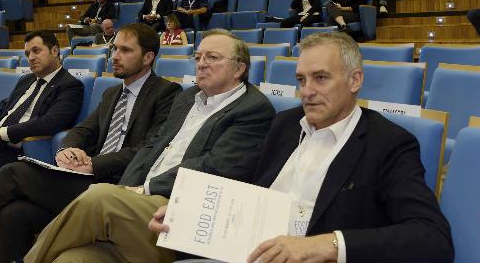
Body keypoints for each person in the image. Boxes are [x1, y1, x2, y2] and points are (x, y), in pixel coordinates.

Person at [148, 31, 454, 263]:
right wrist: (188, 208)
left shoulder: (387, 143)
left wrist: (325, 245)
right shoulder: (285, 124)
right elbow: (244, 181)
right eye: (301, 80)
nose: (307, 92)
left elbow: (432, 238)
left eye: (320, 78)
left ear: (354, 80)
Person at [24, 29, 277, 263]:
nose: (202, 64)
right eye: (199, 57)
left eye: (213, 57)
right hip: (141, 203)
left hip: (178, 209)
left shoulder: (252, 108)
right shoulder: (189, 97)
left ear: (239, 68)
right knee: (70, 259)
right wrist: (127, 189)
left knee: (99, 197)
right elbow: (152, 147)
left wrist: (143, 189)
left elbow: (214, 167)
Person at [0, 24, 182, 263]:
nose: (115, 56)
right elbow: (83, 130)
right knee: (12, 215)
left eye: (125, 50)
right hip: (86, 179)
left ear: (148, 57)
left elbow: (148, 151)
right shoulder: (112, 93)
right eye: (114, 48)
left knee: (12, 172)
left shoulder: (167, 93)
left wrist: (93, 165)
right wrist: (68, 149)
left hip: (119, 189)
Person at [0, 31, 84, 191]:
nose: (31, 58)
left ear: (55, 51)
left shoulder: (70, 85)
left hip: (14, 152)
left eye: (36, 51)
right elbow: (2, 108)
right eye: (28, 53)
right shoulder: (26, 80)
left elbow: (50, 123)